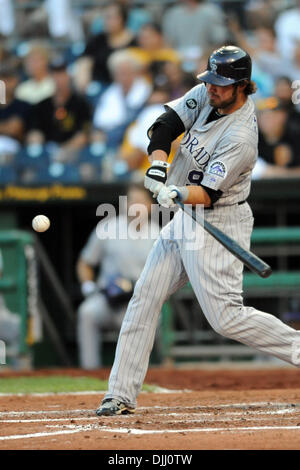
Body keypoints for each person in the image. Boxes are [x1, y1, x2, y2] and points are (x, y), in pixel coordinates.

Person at [96, 45, 300, 416]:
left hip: (218, 219)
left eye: (222, 85)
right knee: (145, 296)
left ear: (243, 86)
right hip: (185, 218)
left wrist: (175, 191)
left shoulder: (241, 137)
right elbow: (164, 126)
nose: (212, 89)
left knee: (226, 318)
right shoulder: (206, 94)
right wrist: (159, 166)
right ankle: (120, 393)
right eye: (211, 81)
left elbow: (206, 193)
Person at [76, 183, 159, 370]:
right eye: (132, 201)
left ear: (150, 206)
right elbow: (85, 262)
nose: (135, 206)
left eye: (140, 202)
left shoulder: (158, 234)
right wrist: (88, 286)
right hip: (107, 297)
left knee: (141, 321)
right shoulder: (108, 227)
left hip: (138, 301)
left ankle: (133, 373)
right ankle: (90, 371)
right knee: (87, 312)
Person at [29, 56, 91, 164]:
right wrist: (38, 147)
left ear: (68, 75)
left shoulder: (81, 104)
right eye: (56, 74)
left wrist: (64, 151)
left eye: (62, 74)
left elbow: (83, 135)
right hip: (47, 153)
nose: (59, 78)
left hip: (73, 154)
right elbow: (35, 131)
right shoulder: (42, 105)